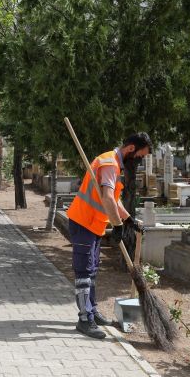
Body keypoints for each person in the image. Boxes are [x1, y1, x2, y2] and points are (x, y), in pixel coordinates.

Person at [66, 132, 151, 339]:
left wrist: (129, 220)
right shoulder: (109, 164)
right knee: (84, 273)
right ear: (131, 149)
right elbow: (107, 198)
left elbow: (114, 200)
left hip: (93, 225)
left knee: (93, 270)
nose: (140, 161)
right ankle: (84, 319)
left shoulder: (114, 163)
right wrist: (118, 226)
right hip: (83, 222)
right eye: (140, 156)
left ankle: (92, 311)